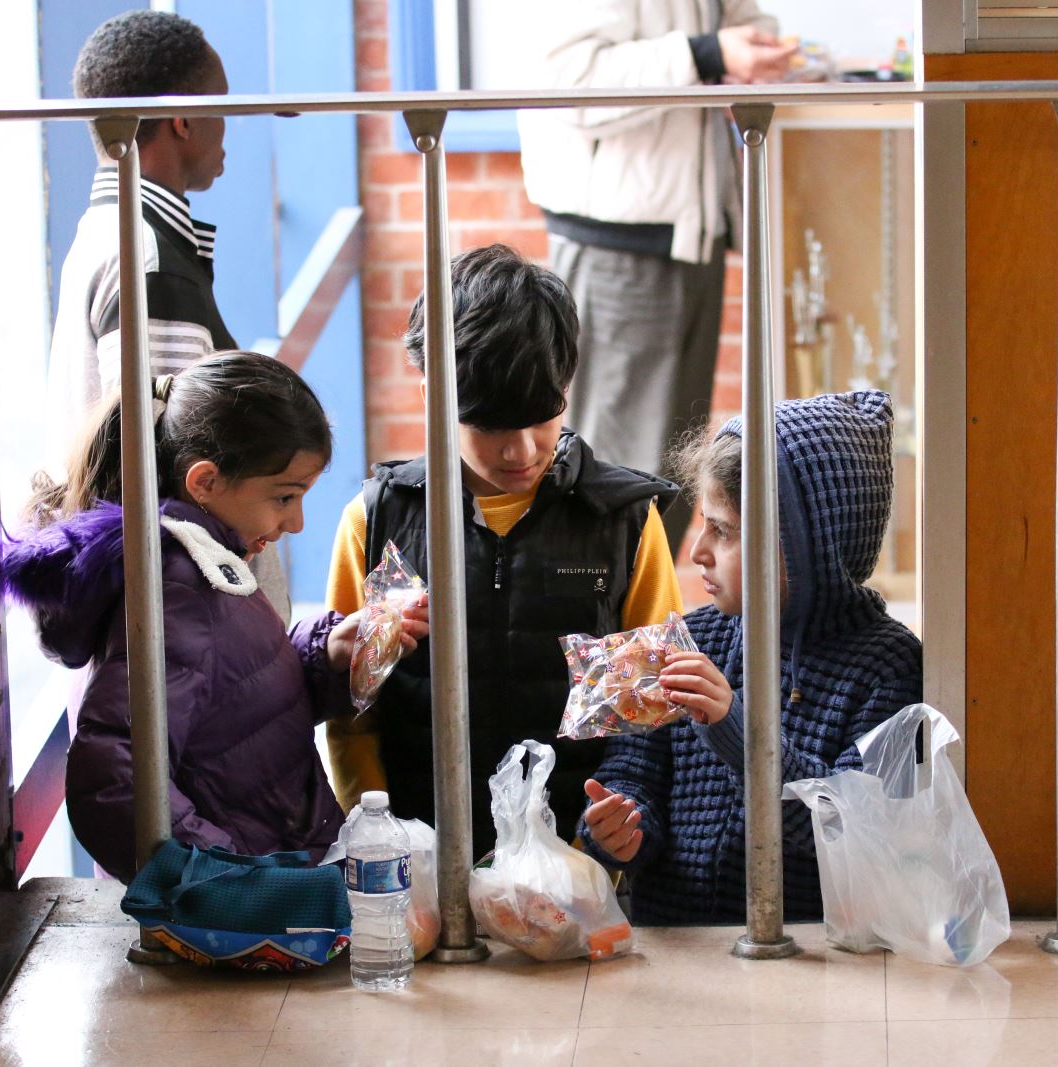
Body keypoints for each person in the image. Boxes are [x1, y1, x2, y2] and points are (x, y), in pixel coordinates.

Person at [0, 353, 428, 882]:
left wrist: (326, 655)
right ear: (204, 482)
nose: (294, 522)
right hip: (240, 923)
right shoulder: (180, 590)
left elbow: (230, 697)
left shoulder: (207, 567)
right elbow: (114, 776)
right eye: (284, 496)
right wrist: (234, 882)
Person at [324, 244, 685, 852]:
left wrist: (611, 837)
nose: (521, 451)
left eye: (542, 418)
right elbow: (353, 708)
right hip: (419, 857)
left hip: (578, 865)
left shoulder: (624, 520)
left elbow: (650, 712)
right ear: (431, 395)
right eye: (490, 427)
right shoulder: (378, 519)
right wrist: (384, 836)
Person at [578, 394, 923, 922]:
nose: (697, 552)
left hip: (812, 956)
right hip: (680, 952)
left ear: (803, 543)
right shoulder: (686, 638)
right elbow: (634, 777)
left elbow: (855, 835)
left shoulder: (890, 666)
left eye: (724, 531)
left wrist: (735, 727)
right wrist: (621, 826)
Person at [517, 0, 797, 549]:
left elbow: (747, 22)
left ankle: (638, 628)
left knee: (663, 481)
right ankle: (607, 633)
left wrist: (748, 50)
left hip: (688, 232)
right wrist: (709, 54)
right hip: (621, 243)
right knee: (620, 479)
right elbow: (566, 79)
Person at [46, 11, 290, 614]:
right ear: (182, 119)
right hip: (188, 628)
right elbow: (173, 469)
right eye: (220, 107)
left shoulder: (116, 232)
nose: (227, 127)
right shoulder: (147, 256)